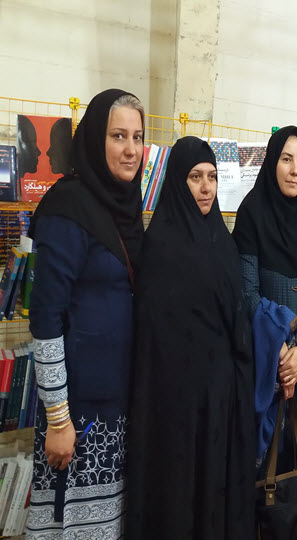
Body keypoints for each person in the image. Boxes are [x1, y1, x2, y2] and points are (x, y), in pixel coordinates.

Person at [26, 89, 145, 539]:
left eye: (137, 137)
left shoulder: (126, 205)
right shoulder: (68, 207)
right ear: (96, 139)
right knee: (74, 525)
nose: (131, 149)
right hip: (76, 414)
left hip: (118, 406)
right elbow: (45, 319)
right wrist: (58, 419)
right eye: (118, 136)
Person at [126, 136, 254, 538]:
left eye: (212, 177)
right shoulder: (159, 245)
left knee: (212, 495)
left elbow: (236, 316)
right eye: (195, 177)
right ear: (178, 181)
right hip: (173, 402)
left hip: (218, 399)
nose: (206, 187)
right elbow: (152, 334)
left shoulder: (223, 242)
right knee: (178, 497)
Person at [233, 125, 297, 472]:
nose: (294, 170)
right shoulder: (251, 214)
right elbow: (247, 291)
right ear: (272, 162)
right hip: (265, 360)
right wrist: (280, 352)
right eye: (286, 160)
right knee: (258, 467)